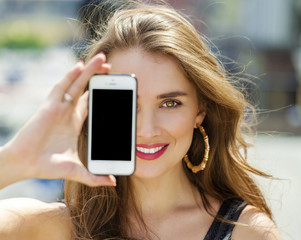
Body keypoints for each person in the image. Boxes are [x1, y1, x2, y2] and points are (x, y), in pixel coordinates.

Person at [0, 0, 281, 239]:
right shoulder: (55, 227)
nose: (146, 130)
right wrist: (16, 160)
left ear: (200, 111)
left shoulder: (245, 231)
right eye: (127, 104)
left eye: (170, 103)